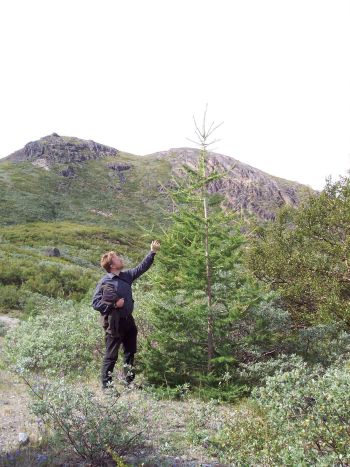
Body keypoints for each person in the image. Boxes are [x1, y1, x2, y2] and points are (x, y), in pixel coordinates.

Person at [91, 240, 160, 389]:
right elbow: (95, 303)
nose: (120, 259)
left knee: (129, 352)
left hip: (129, 321)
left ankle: (128, 383)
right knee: (111, 356)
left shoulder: (126, 276)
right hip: (114, 323)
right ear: (111, 265)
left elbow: (141, 268)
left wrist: (152, 252)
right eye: (117, 258)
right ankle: (107, 388)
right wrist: (115, 305)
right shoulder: (104, 282)